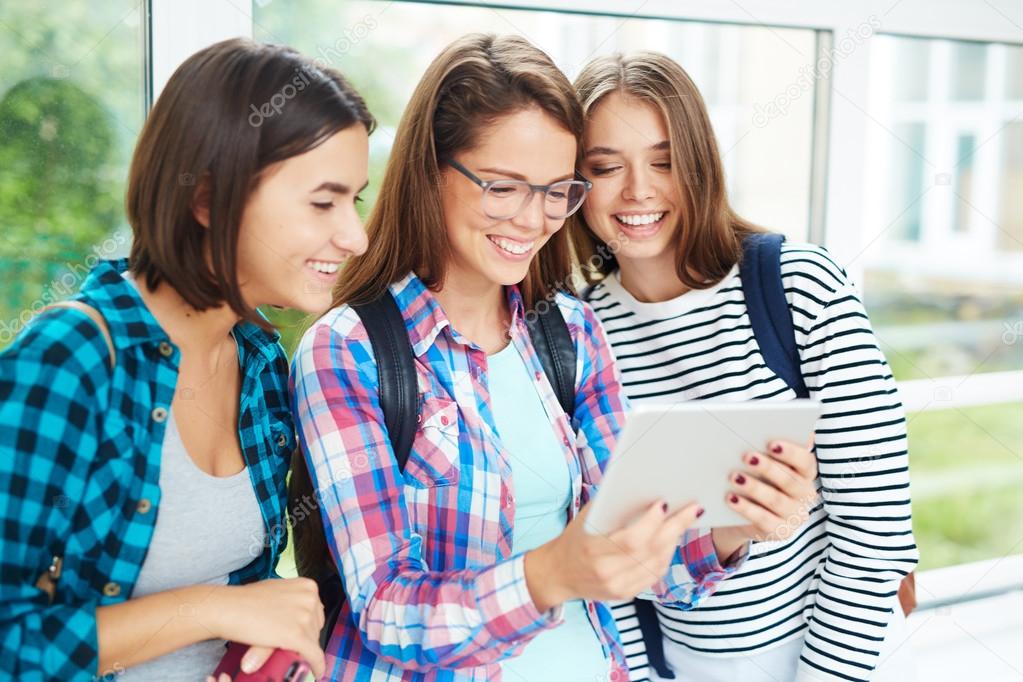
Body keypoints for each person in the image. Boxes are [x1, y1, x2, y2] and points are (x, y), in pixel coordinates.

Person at [290, 33, 819, 681]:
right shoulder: (348, 351)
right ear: (432, 171)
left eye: (555, 191)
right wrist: (548, 575)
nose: (533, 220)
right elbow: (387, 613)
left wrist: (733, 525)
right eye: (504, 187)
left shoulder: (570, 332)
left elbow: (632, 546)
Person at [0, 38, 374, 681]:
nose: (355, 235)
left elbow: (250, 608)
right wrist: (212, 609)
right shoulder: (70, 363)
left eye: (355, 201)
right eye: (323, 202)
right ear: (206, 198)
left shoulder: (260, 364)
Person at [572, 51, 919, 682]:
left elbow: (875, 531)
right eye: (605, 168)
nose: (639, 191)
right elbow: (602, 548)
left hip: (828, 658)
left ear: (699, 165)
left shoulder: (798, 287)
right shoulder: (579, 331)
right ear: (575, 185)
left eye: (664, 161)